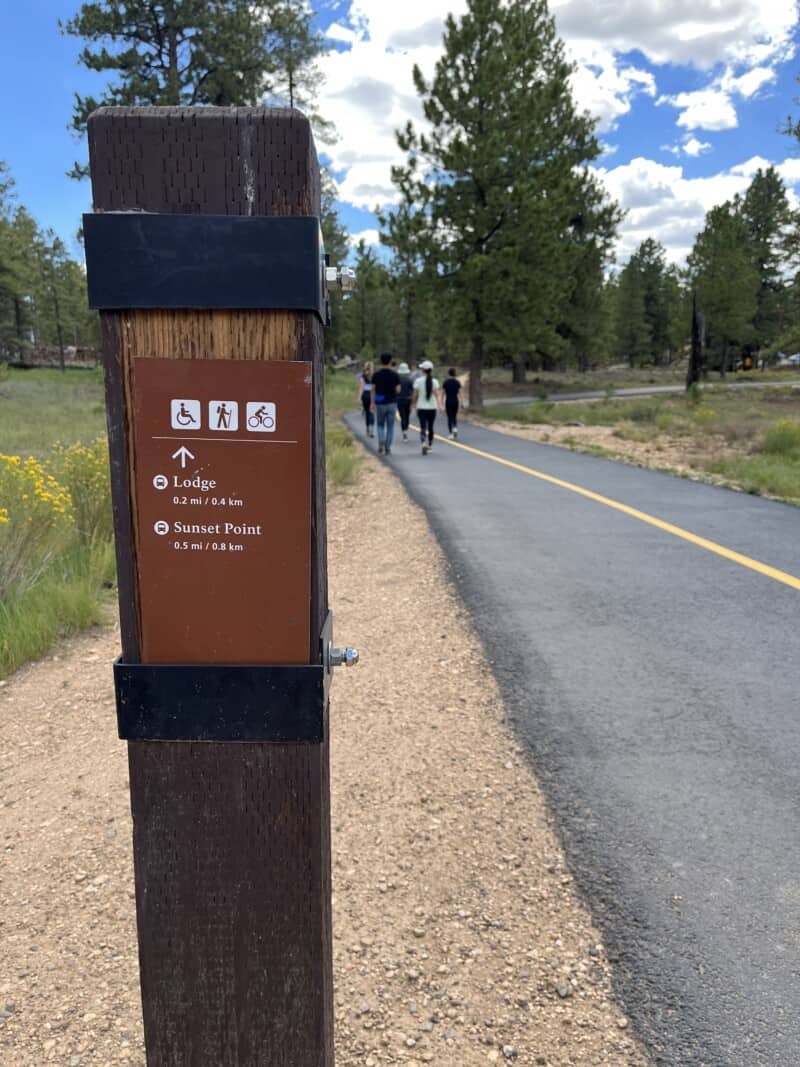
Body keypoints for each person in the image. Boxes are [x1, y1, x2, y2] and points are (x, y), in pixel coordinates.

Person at [371, 352, 401, 455]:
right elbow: (398, 390)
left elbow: (373, 389)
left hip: (380, 400)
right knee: (390, 426)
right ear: (390, 361)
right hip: (391, 401)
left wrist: (372, 403)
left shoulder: (376, 374)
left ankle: (381, 440)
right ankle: (388, 447)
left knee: (380, 424)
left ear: (381, 361)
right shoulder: (395, 375)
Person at [412, 359, 442, 454]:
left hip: (421, 407)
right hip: (432, 407)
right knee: (431, 427)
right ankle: (430, 445)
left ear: (422, 370)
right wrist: (440, 406)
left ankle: (423, 443)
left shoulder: (418, 381)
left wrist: (413, 404)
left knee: (423, 427)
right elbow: (437, 395)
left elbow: (415, 395)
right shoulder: (435, 382)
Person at [442, 367, 462, 438]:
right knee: (454, 416)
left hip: (448, 401)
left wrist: (442, 402)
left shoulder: (446, 382)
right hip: (455, 401)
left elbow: (443, 393)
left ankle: (451, 433)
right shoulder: (457, 382)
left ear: (448, 374)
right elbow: (459, 393)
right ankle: (455, 428)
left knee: (449, 417)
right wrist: (461, 402)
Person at [396, 362, 414, 441]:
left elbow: (396, 390)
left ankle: (404, 431)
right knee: (407, 415)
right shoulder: (410, 380)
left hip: (400, 400)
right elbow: (413, 391)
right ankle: (406, 428)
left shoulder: (397, 380)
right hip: (408, 399)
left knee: (402, 416)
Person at [358, 362, 375, 437]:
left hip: (365, 395)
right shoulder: (374, 376)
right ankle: (372, 428)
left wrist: (359, 398)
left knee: (367, 413)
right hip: (372, 394)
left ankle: (367, 428)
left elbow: (361, 387)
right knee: (372, 412)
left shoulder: (363, 376)